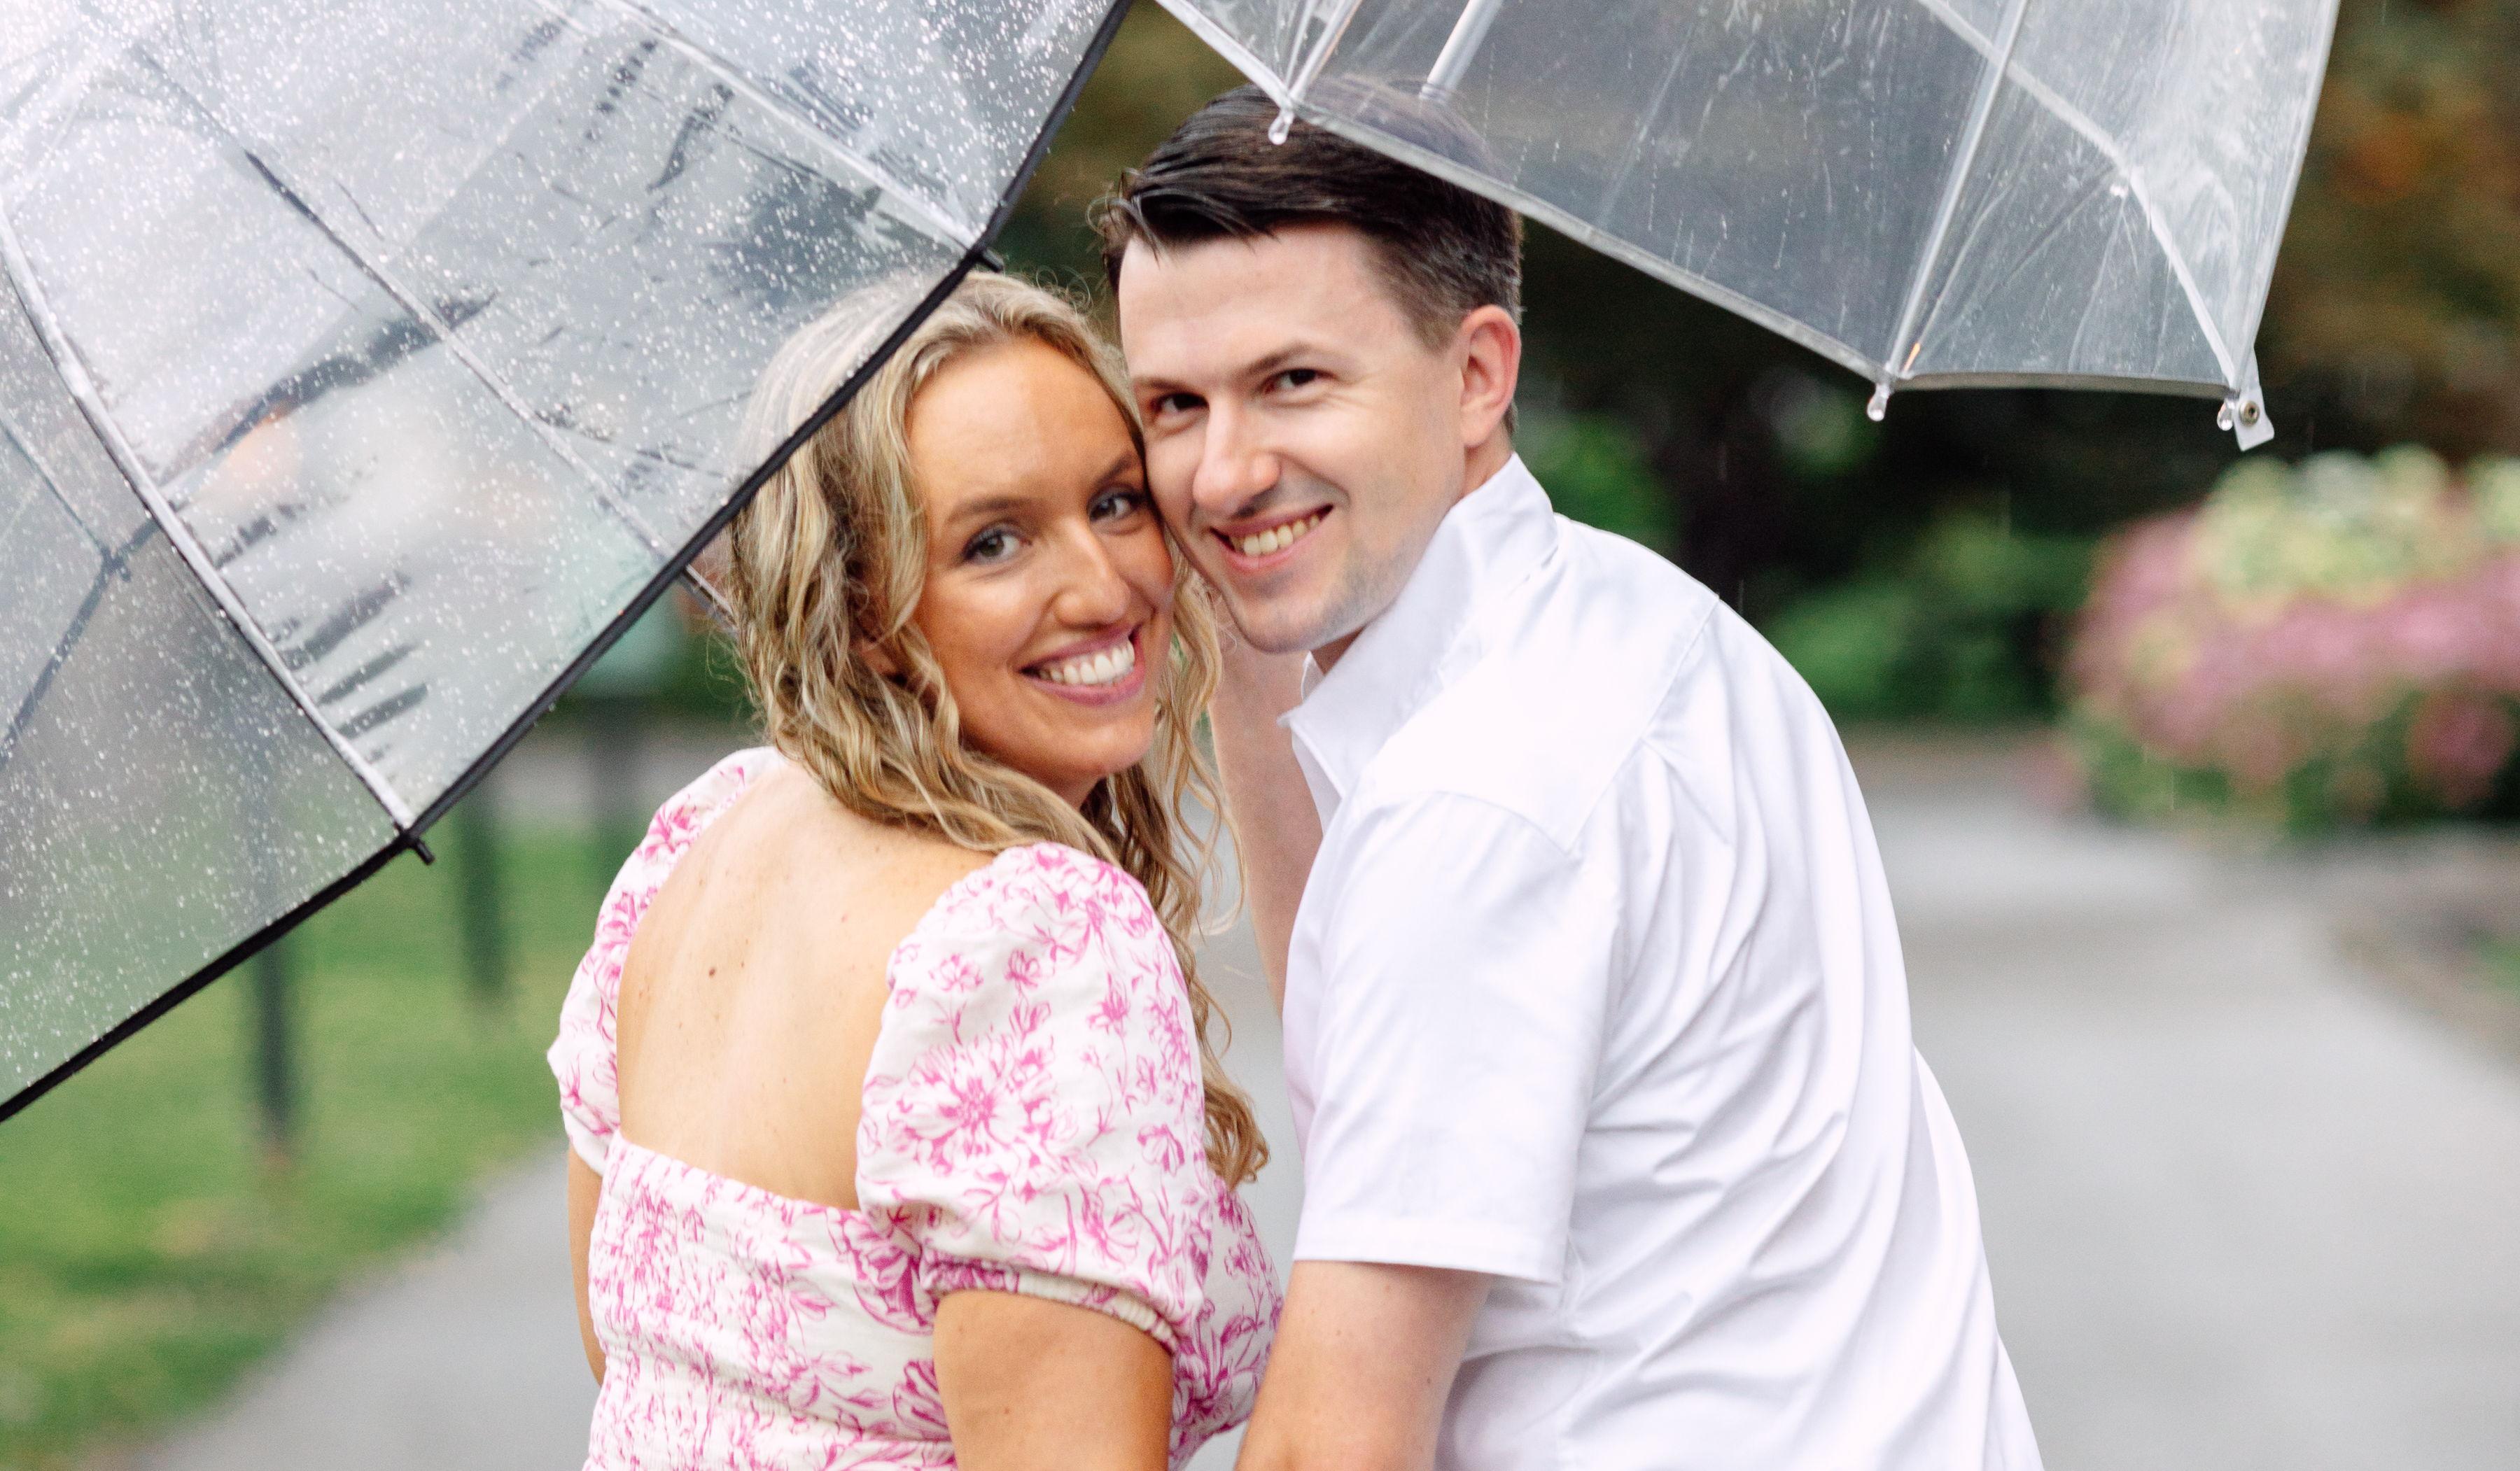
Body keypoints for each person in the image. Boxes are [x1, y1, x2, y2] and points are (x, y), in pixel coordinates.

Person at [1093, 87, 2043, 1471]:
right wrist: (1247, 639)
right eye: (1175, 406)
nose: (1224, 472)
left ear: (1479, 374)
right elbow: (1358, 1076)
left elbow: (1331, 1452)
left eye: (1294, 381)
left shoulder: (1478, 801)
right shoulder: (1661, 632)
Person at [547, 272, 1279, 1470]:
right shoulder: (1034, 938)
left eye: (1115, 501)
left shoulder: (703, 835)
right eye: (994, 542)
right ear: (863, 609)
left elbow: (624, 1350)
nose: (1106, 586)